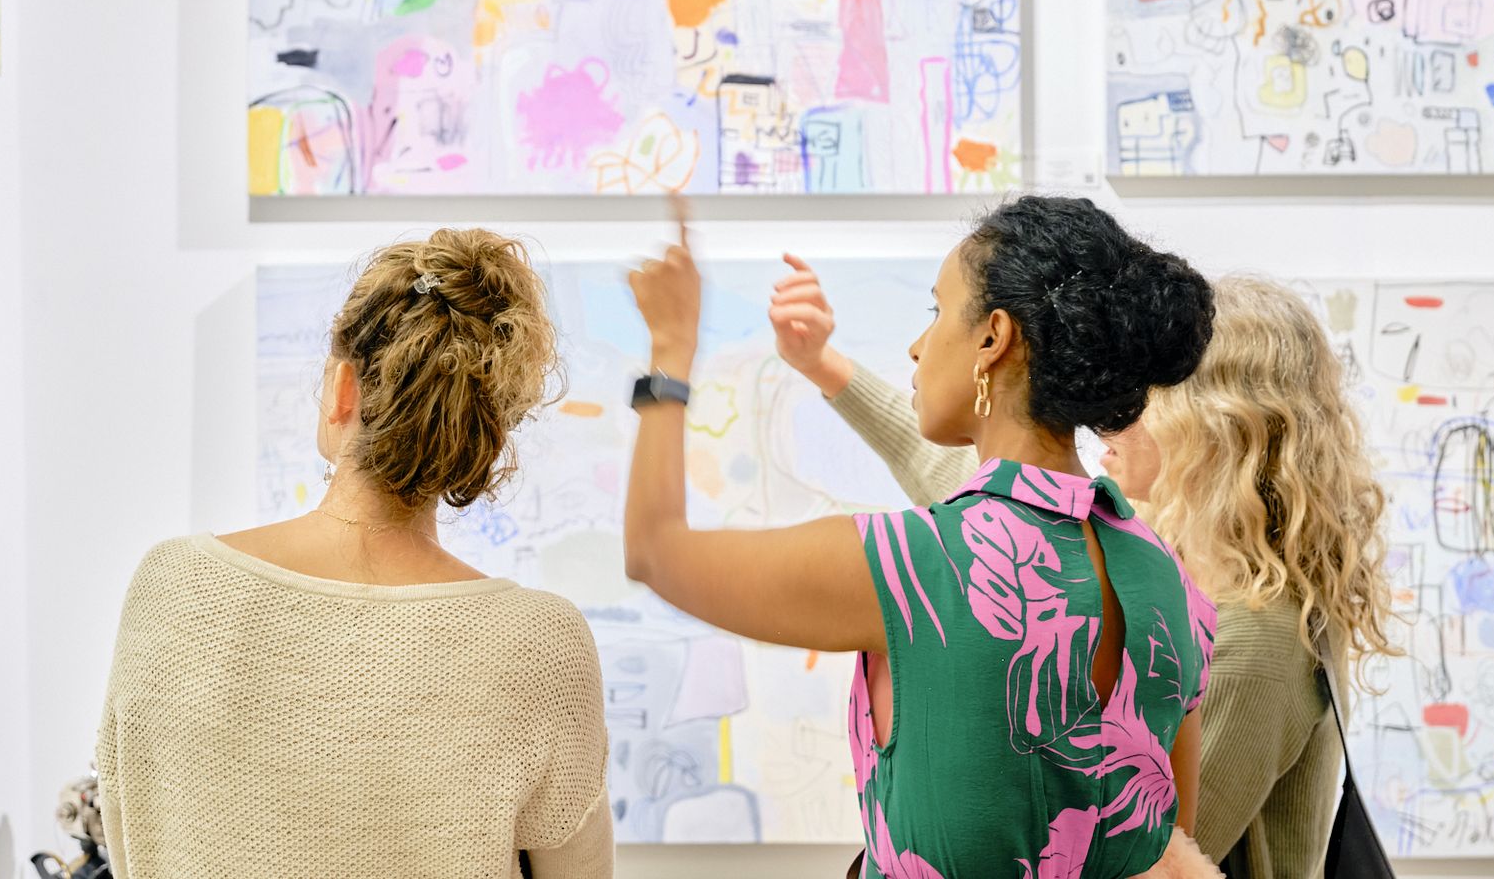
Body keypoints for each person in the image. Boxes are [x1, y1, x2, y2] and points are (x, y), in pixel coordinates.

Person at [624, 195, 1224, 878]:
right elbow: (1169, 841)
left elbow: (655, 551)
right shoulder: (1166, 576)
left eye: (936, 312)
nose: (918, 345)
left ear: (992, 338)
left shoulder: (914, 566)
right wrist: (824, 365)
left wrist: (670, 350)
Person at [781, 263, 1396, 878]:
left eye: (1136, 396)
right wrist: (823, 364)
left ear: (1214, 425)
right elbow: (976, 500)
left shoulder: (1254, 632)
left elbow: (1137, 852)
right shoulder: (1157, 553)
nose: (1104, 414)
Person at [95, 230, 612, 879]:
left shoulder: (171, 587)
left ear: (343, 390)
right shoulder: (540, 643)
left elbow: (133, 839)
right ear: (486, 433)